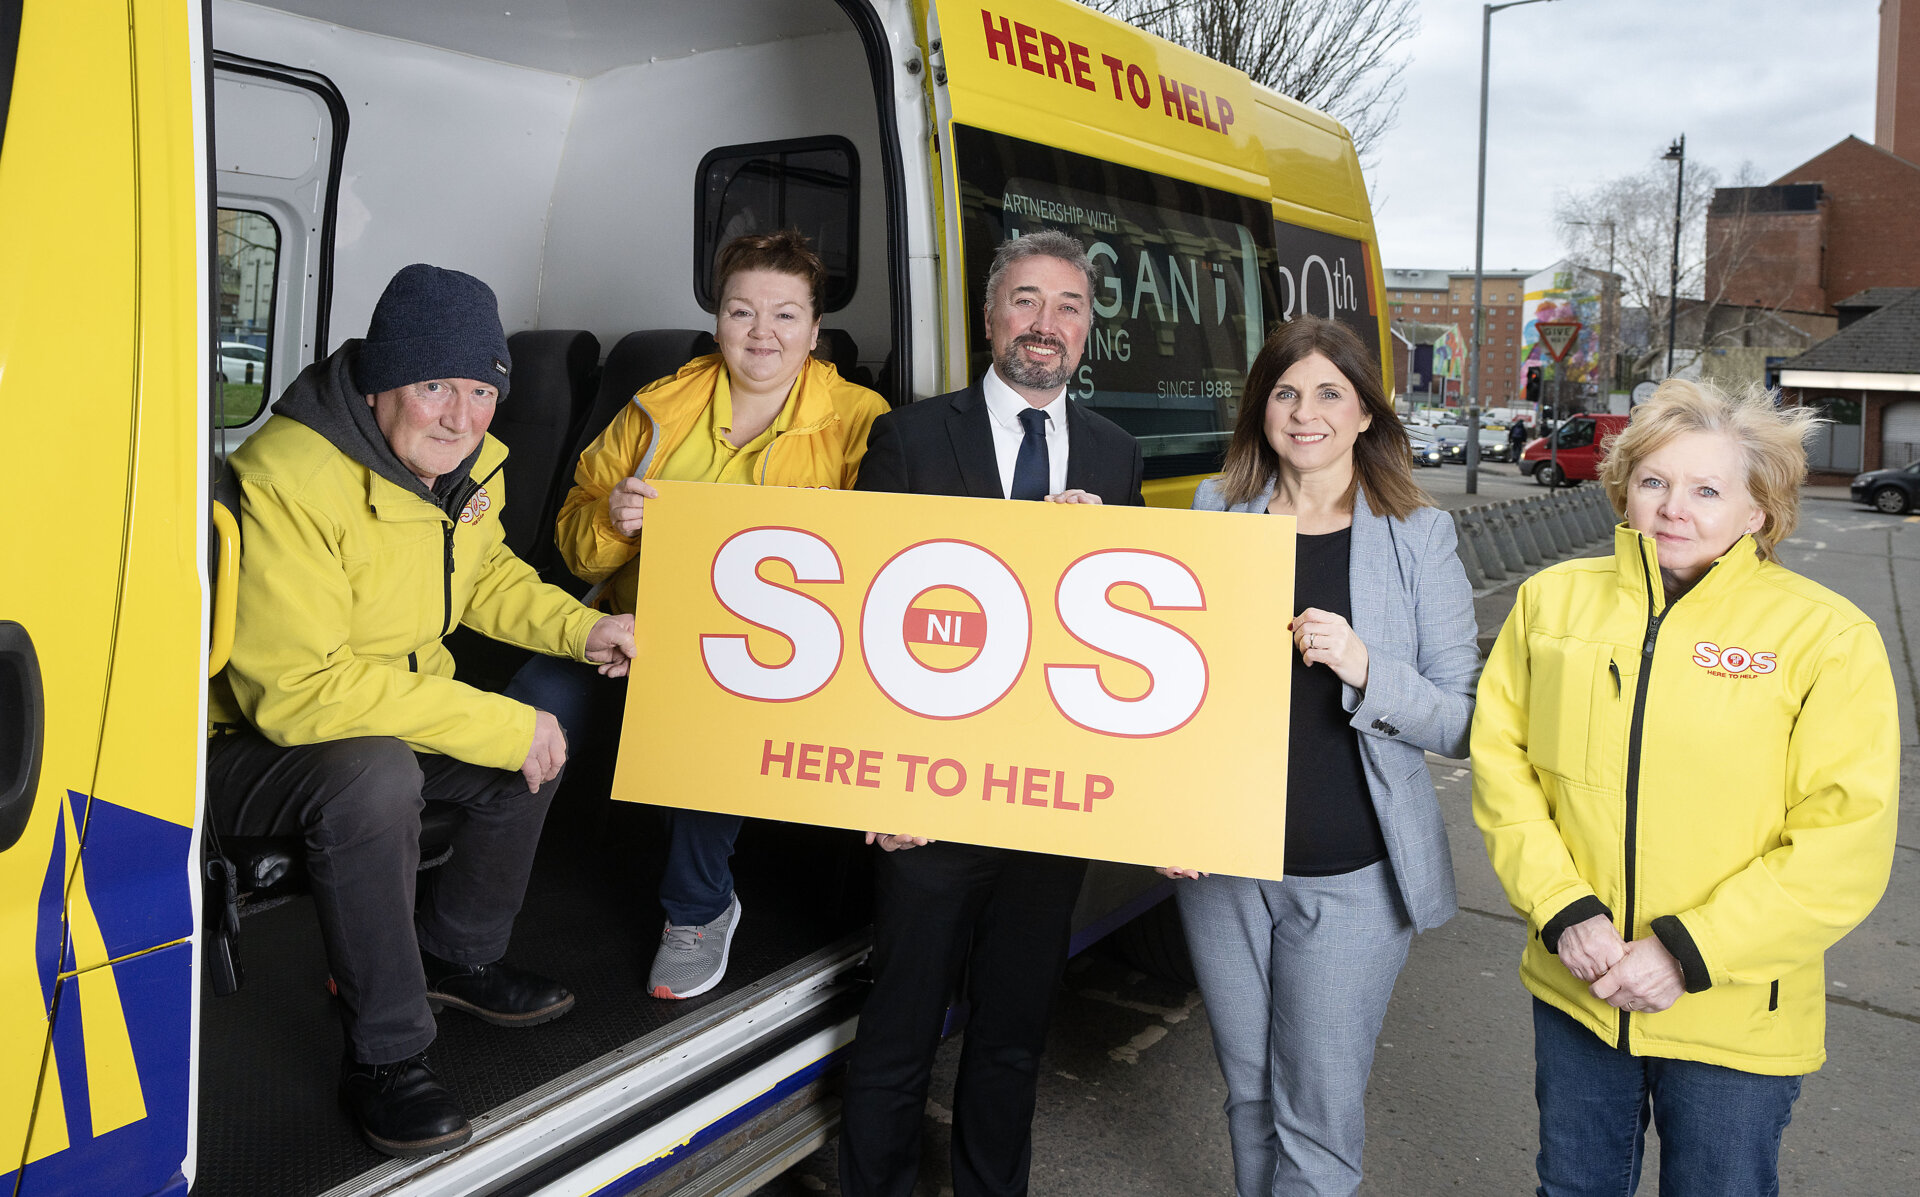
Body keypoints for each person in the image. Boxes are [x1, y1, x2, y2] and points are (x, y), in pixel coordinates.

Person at [207, 263, 638, 1157]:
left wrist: (583, 632)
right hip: (247, 744)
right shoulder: (288, 478)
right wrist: (495, 719)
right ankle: (386, 1054)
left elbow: (483, 578)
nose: (462, 415)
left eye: (482, 389)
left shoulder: (464, 465)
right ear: (381, 381)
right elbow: (299, 692)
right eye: (437, 384)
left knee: (525, 753)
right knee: (377, 773)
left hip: (379, 715)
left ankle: (454, 952)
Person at [1471, 379, 1898, 1197]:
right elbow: (1504, 765)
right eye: (1655, 480)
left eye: (1708, 489)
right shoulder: (1549, 603)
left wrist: (1684, 952)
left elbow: (1843, 837)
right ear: (1624, 488)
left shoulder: (1825, 636)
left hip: (1734, 1008)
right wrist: (1563, 909)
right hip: (1581, 984)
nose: (1674, 507)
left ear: (1757, 512)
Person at [836, 229, 1144, 1197]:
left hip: (1048, 804)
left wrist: (1105, 565)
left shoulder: (1115, 454)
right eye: (1025, 301)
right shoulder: (912, 437)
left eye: (1067, 307)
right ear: (988, 315)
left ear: (1088, 331)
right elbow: (862, 618)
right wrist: (883, 779)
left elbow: (1124, 646)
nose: (1044, 325)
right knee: (897, 1033)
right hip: (929, 794)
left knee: (1011, 1040)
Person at [1162, 315, 1480, 1197]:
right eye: (1286, 391)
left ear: (1367, 413)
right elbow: (1165, 689)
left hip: (1351, 873)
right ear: (1262, 409)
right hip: (1226, 866)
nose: (1306, 412)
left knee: (1317, 1111)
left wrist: (1367, 665)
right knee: (1249, 1092)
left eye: (1330, 392)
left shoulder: (1417, 534)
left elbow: (1463, 718)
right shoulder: (1213, 514)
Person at [532, 229, 887, 1000]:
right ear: (716, 319)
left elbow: (880, 561)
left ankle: (696, 909)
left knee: (707, 718)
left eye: (786, 315)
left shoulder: (861, 419)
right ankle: (480, 914)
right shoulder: (658, 408)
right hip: (633, 630)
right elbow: (574, 542)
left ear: (815, 330)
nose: (762, 333)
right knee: (528, 706)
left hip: (767, 653)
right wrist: (611, 522)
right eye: (741, 311)